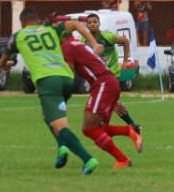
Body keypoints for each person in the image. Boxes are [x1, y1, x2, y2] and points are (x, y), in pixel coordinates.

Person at [0, 8, 102, 174]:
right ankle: (62, 148)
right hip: (67, 78)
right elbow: (75, 24)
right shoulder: (51, 29)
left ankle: (88, 159)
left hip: (48, 80)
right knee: (48, 116)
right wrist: (94, 43)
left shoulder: (18, 36)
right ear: (38, 20)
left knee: (60, 126)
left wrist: (6, 66)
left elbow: (2, 61)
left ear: (22, 23)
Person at [60, 33, 142, 168]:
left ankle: (123, 158)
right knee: (97, 128)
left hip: (103, 84)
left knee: (89, 129)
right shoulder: (79, 43)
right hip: (107, 84)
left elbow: (69, 72)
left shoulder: (68, 47)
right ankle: (129, 131)